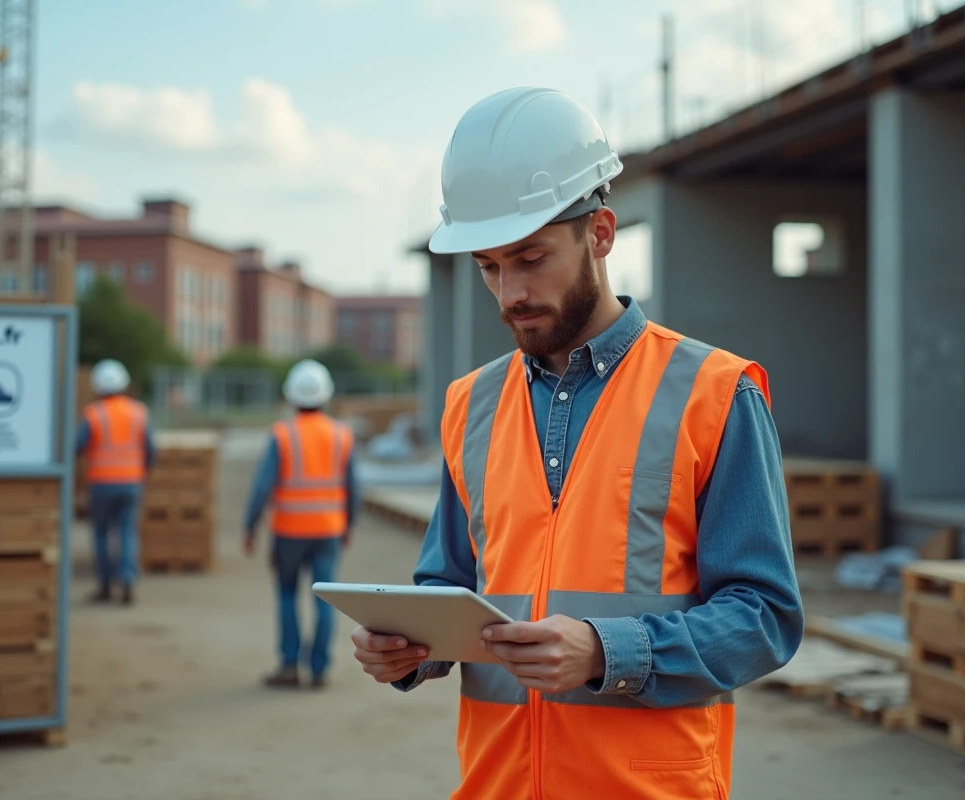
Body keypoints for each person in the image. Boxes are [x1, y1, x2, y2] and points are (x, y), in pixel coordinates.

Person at [350, 87, 805, 799]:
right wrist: (411, 648)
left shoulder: (716, 393)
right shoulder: (469, 406)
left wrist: (605, 651)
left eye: (531, 258)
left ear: (600, 233)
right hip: (497, 784)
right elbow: (450, 582)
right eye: (489, 268)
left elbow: (764, 617)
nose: (509, 295)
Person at [245, 359, 360, 689]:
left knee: (286, 595)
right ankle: (319, 668)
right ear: (327, 396)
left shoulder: (282, 434)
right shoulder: (341, 435)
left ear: (291, 397)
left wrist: (250, 526)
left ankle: (289, 665)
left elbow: (261, 487)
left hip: (289, 532)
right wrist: (348, 525)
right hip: (329, 531)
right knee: (325, 598)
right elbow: (354, 488)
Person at [76, 358, 155, 606]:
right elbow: (151, 449)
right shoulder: (139, 412)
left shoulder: (93, 414)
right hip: (131, 482)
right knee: (127, 533)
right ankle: (128, 581)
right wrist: (143, 471)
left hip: (102, 483)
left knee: (101, 534)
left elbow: (76, 447)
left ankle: (105, 586)